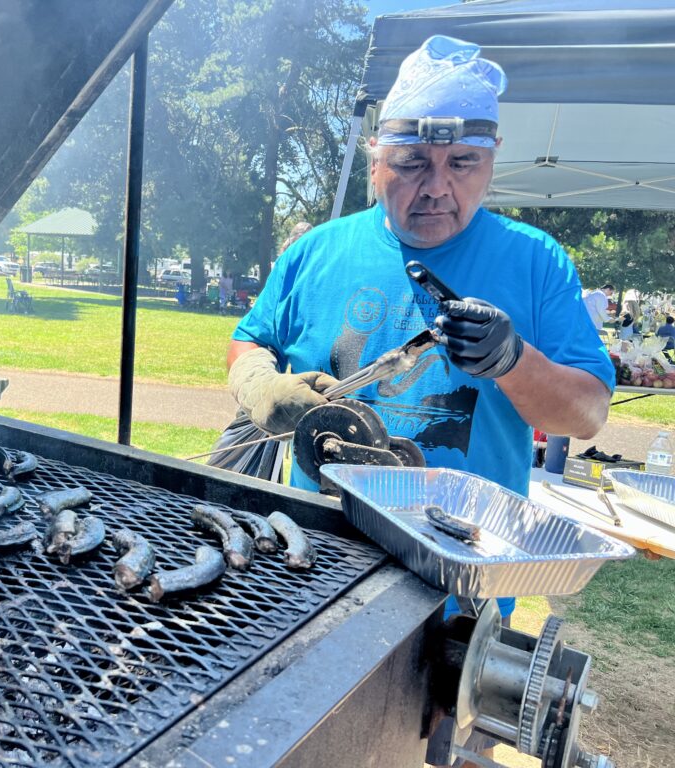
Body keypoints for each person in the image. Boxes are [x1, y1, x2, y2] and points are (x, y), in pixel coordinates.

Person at [224, 35, 613, 767]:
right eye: (411, 164)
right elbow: (248, 342)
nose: (436, 186)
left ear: (491, 163)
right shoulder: (316, 250)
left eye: (462, 164)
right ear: (375, 162)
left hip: (456, 593)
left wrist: (512, 360)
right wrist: (256, 384)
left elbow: (587, 415)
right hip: (312, 563)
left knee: (426, 752)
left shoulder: (536, 262)